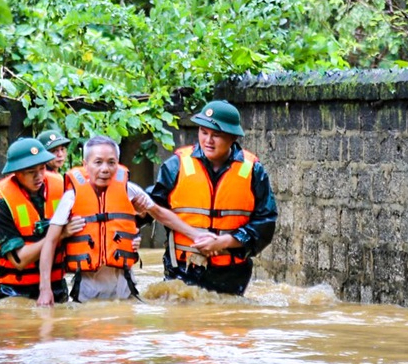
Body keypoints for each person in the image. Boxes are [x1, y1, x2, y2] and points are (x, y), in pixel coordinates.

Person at [37, 135, 205, 306]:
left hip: (124, 283)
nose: (105, 169)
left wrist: (196, 235)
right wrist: (45, 290)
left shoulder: (128, 189)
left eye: (111, 162)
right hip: (88, 285)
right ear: (86, 165)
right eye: (98, 162)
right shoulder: (71, 197)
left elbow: (160, 213)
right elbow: (50, 242)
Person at [147, 100, 277, 295]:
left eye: (216, 135)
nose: (208, 140)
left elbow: (265, 223)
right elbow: (153, 208)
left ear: (233, 137)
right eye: (203, 132)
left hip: (231, 274)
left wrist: (223, 242)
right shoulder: (176, 165)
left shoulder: (252, 171)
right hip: (182, 269)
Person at [0, 138, 81, 302]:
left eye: (42, 168)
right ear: (16, 172)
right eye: (31, 172)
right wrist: (59, 234)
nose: (39, 176)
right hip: (14, 291)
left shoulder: (62, 187)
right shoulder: (0, 203)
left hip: (56, 286)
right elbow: (20, 260)